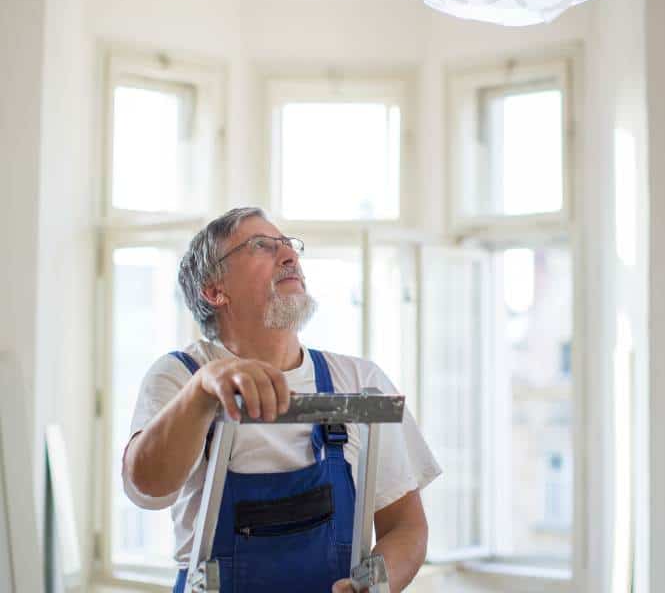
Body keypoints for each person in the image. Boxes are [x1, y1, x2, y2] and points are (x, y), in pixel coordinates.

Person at [122, 206, 441, 593]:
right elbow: (148, 488)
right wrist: (202, 390)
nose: (290, 256)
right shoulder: (180, 375)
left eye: (289, 246)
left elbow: (405, 526)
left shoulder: (360, 382)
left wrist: (369, 586)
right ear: (214, 290)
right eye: (261, 246)